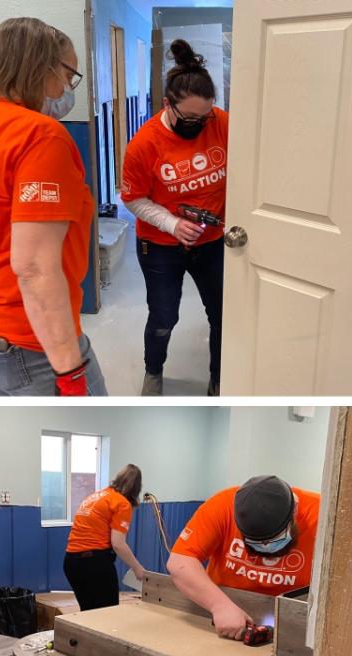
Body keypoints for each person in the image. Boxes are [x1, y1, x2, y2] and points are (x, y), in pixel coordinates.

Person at [0, 17, 107, 397]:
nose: (68, 89)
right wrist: (69, 372)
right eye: (68, 76)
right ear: (41, 66)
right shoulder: (39, 135)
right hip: (32, 343)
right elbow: (33, 267)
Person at [121, 39, 228, 397]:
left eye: (206, 117)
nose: (200, 125)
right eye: (191, 119)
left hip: (213, 244)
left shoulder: (223, 124)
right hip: (161, 245)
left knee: (223, 316)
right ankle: (154, 372)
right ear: (168, 105)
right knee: (164, 317)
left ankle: (220, 380)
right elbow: (133, 198)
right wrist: (171, 223)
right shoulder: (144, 144)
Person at [167, 475, 320, 639]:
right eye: (257, 543)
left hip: (295, 626)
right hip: (225, 620)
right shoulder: (222, 505)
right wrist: (219, 606)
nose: (266, 549)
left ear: (295, 510)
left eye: (273, 540)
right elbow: (179, 562)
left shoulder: (322, 514)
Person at [63, 464, 149, 610]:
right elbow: (118, 544)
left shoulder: (96, 496)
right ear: (136, 489)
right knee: (107, 614)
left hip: (71, 563)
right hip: (93, 564)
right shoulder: (121, 503)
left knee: (88, 613)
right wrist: (137, 568)